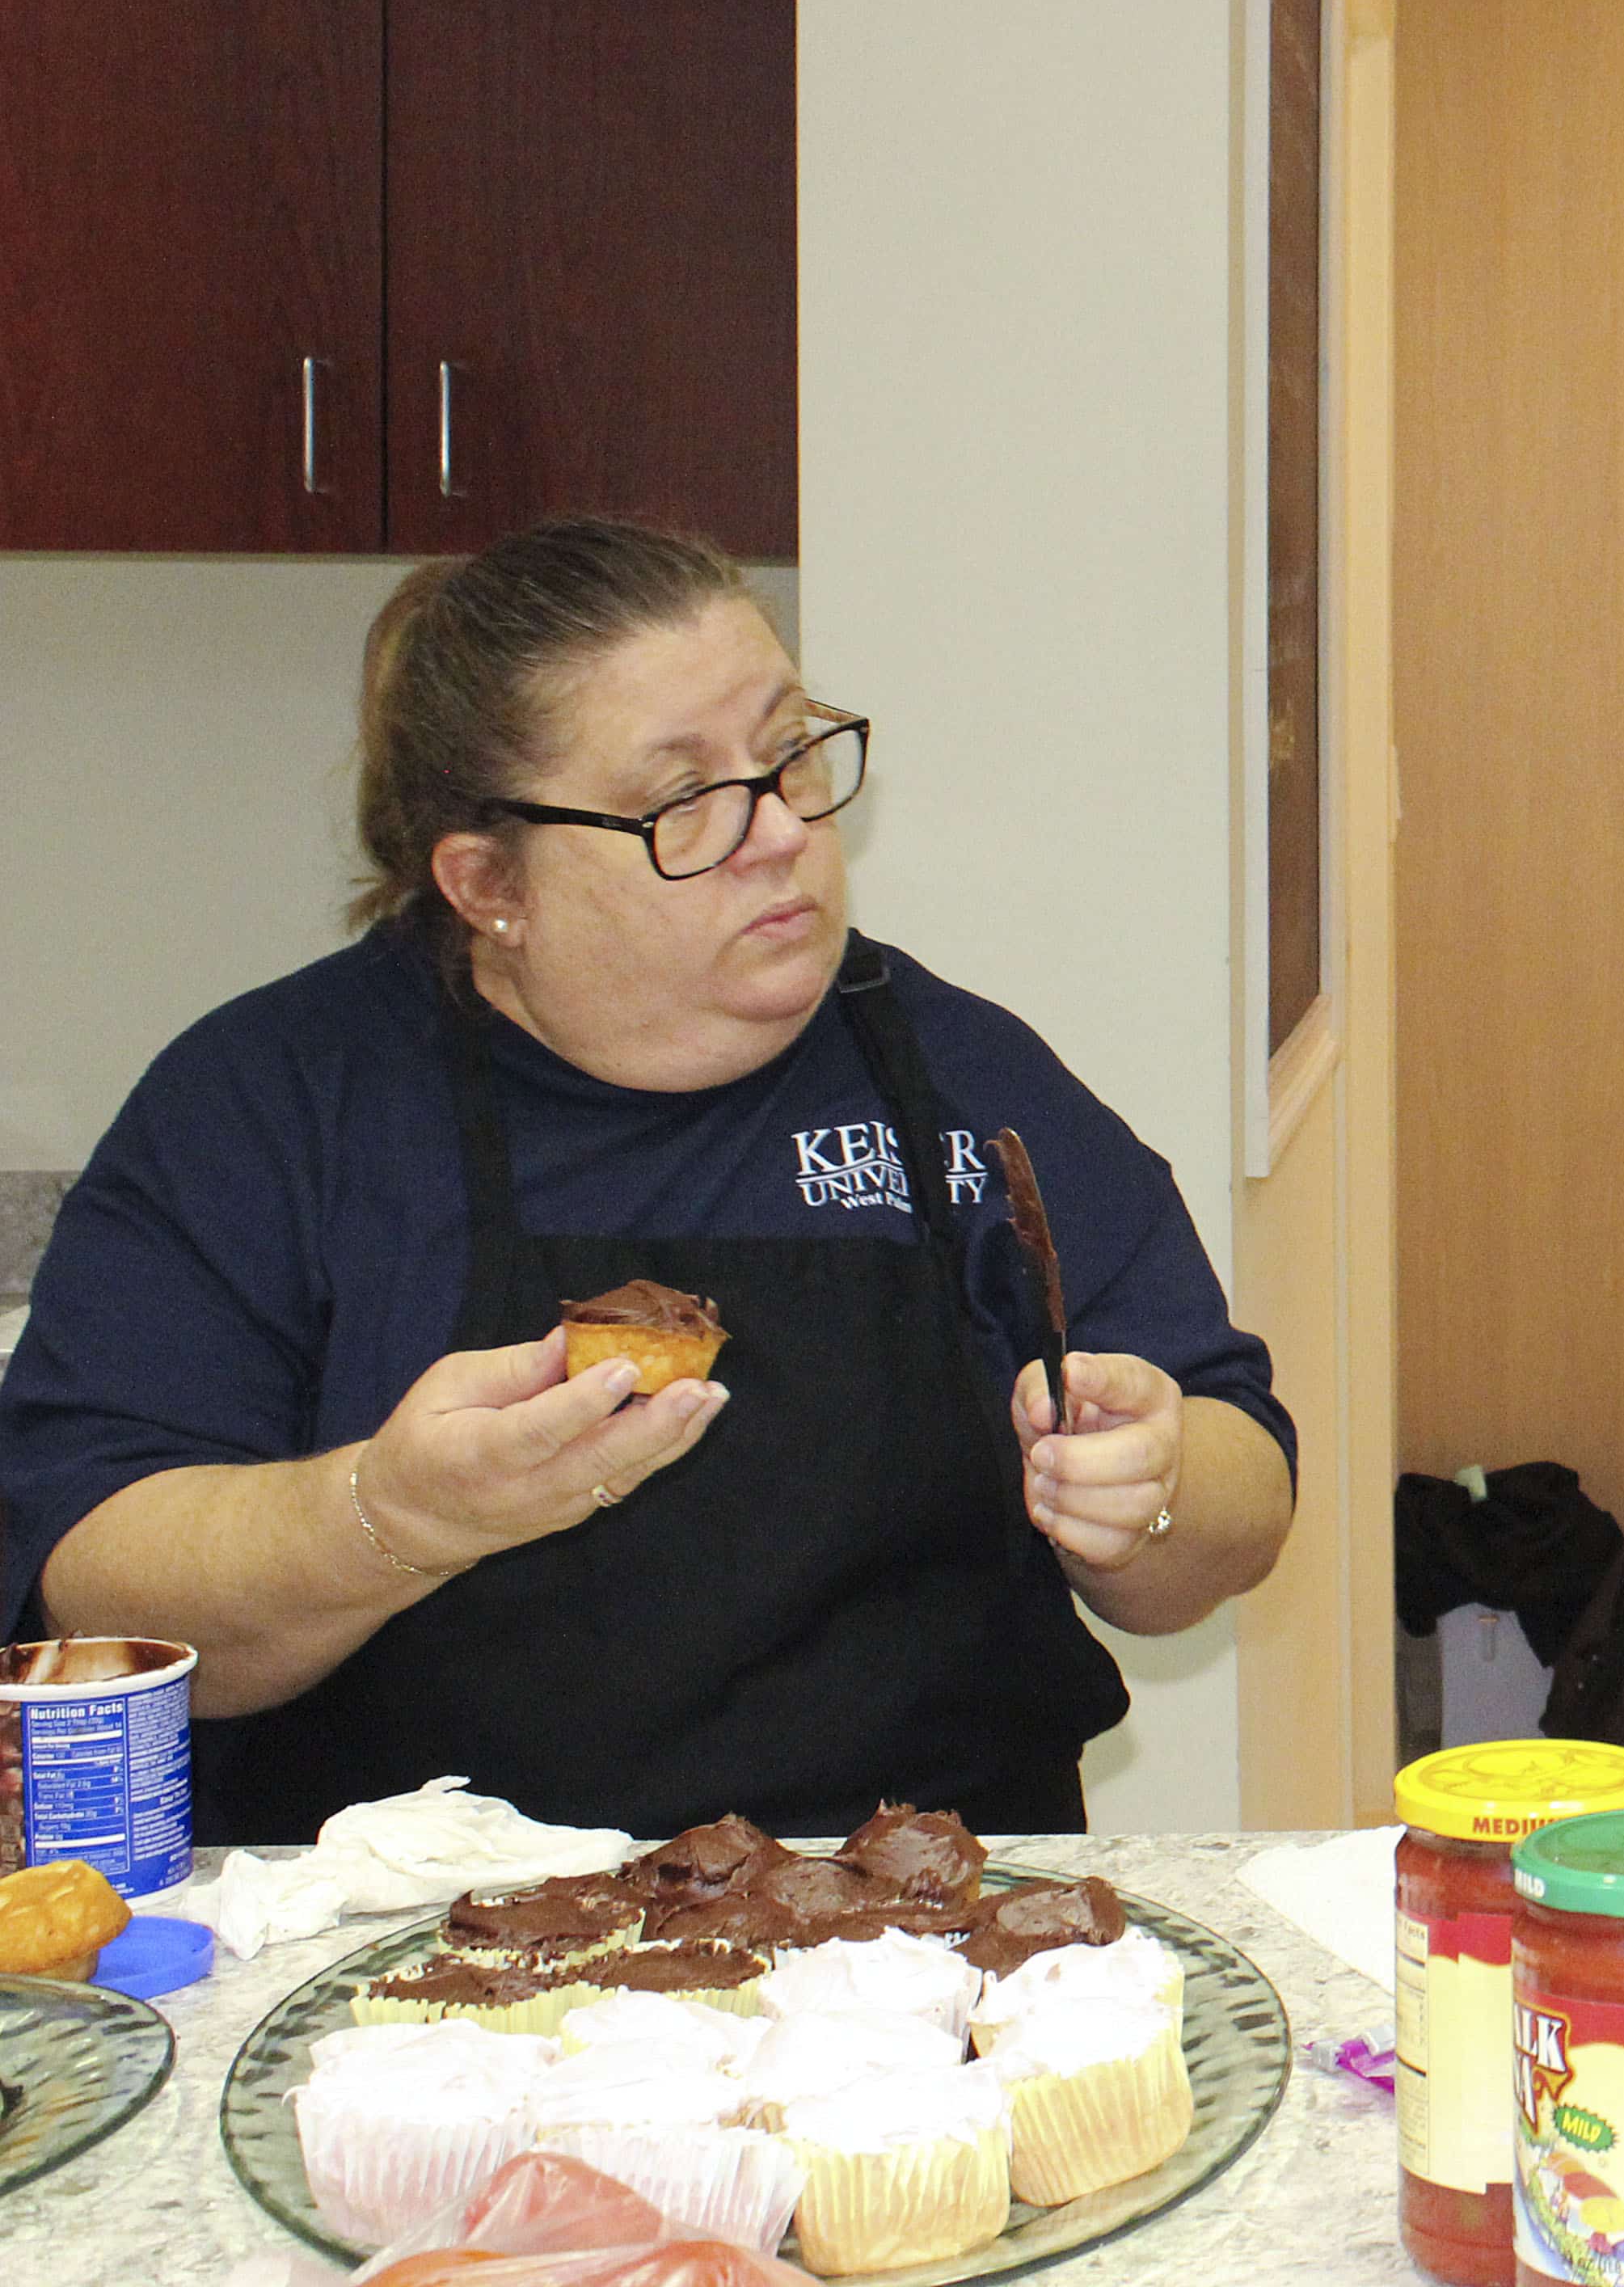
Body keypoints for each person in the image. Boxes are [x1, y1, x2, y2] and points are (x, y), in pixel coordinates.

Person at [0, 520, 1297, 1839]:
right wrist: (387, 1515)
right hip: (413, 1952)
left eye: (789, 754)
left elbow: (1241, 1481)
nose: (780, 831)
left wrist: (1157, 1483)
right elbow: (92, 1589)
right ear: (487, 883)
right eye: (684, 803)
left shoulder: (961, 1078)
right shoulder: (270, 1109)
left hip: (937, 1928)